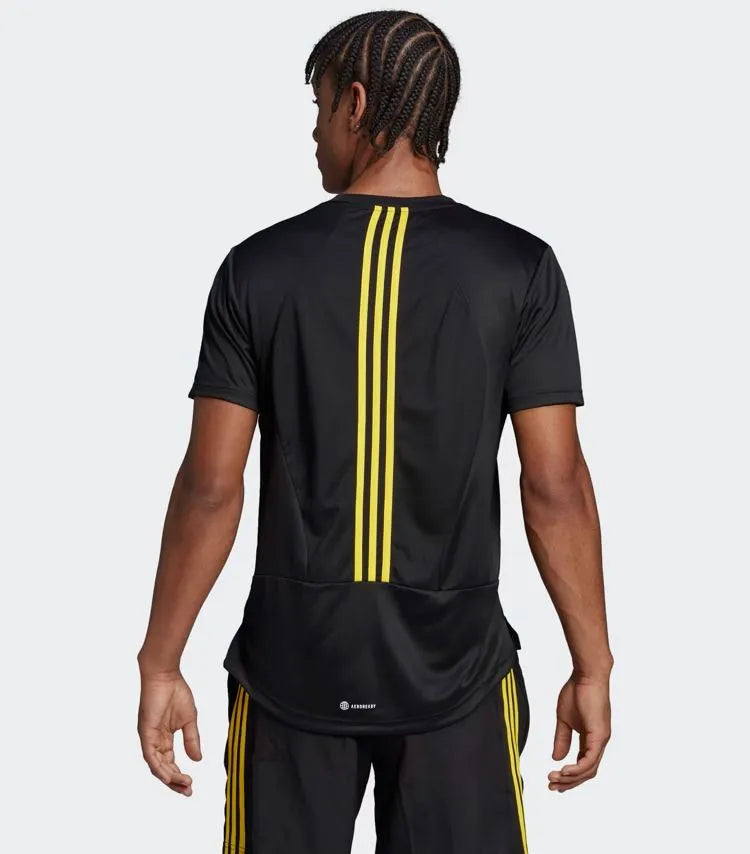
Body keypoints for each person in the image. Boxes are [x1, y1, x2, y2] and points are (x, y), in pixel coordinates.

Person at [137, 10, 613, 853]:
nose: (314, 132)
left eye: (318, 106)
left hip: (291, 672)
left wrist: (161, 660)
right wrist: (593, 664)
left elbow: (211, 487)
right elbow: (555, 485)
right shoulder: (520, 269)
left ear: (356, 104)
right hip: (458, 677)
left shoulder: (257, 268)